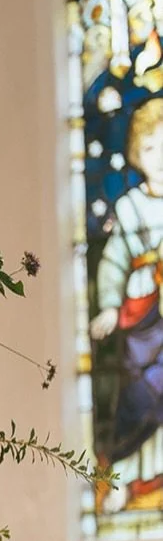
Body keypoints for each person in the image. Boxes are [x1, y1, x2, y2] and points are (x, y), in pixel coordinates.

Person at [90, 97, 163, 511]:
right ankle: (128, 478)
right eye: (151, 148)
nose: (160, 157)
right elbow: (115, 261)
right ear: (137, 155)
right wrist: (111, 308)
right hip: (145, 320)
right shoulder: (131, 206)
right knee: (140, 400)